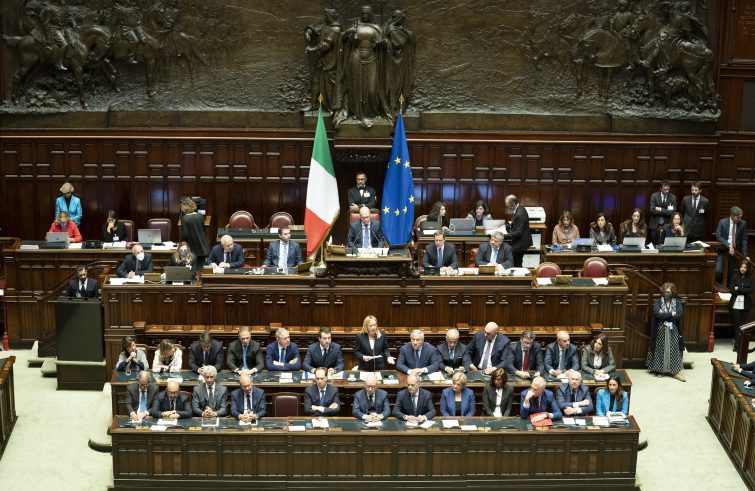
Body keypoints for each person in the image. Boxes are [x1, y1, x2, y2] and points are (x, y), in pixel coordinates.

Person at [646, 282, 686, 381]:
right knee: (661, 350)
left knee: (674, 350)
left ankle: (675, 372)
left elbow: (679, 314)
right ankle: (661, 370)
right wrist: (672, 314)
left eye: (669, 292)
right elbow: (657, 313)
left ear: (673, 292)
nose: (667, 293)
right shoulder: (658, 301)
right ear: (663, 291)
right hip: (660, 330)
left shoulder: (677, 302)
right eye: (666, 291)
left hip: (673, 330)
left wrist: (665, 314)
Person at [715, 206, 749, 285]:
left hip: (735, 252)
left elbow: (744, 240)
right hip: (722, 250)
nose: (740, 219)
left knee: (731, 273)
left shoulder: (743, 223)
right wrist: (729, 245)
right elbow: (718, 236)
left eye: (741, 217)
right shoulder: (722, 222)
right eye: (738, 217)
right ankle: (719, 286)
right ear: (732, 215)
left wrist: (745, 255)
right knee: (718, 271)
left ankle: (728, 288)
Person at [179, 197, 210, 271]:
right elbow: (203, 230)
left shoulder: (185, 219)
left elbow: (185, 234)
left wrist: (181, 244)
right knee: (200, 270)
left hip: (192, 249)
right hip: (203, 248)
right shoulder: (200, 216)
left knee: (192, 271)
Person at [729, 260, 752, 352]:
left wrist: (738, 288)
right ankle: (737, 346)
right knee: (737, 325)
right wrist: (743, 289)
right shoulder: (735, 276)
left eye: (745, 267)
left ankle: (742, 346)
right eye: (741, 267)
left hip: (746, 304)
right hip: (735, 304)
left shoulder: (751, 278)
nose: (742, 269)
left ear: (747, 269)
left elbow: (750, 290)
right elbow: (732, 290)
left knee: (743, 326)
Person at [505, 194, 533, 267]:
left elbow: (518, 232)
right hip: (520, 241)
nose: (508, 208)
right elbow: (516, 223)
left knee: (517, 263)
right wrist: (505, 226)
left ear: (513, 204)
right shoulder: (519, 208)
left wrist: (503, 236)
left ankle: (519, 273)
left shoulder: (520, 213)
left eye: (508, 206)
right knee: (517, 261)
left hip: (520, 243)